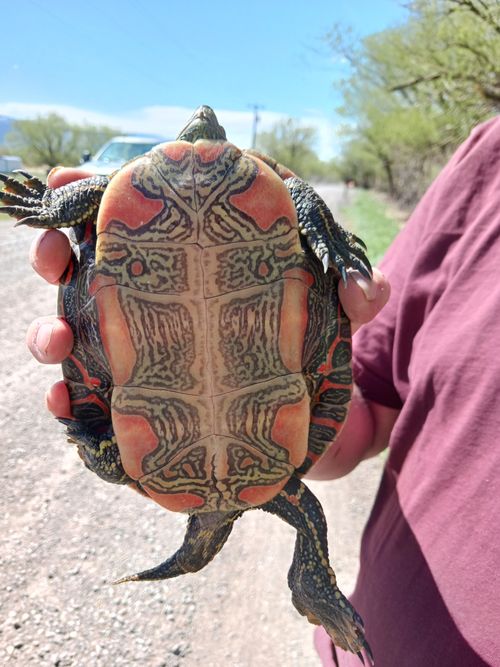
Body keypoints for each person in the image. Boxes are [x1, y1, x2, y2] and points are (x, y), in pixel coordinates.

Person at [25, 116, 500, 666]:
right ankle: (314, 581)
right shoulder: (278, 192)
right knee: (108, 444)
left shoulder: (124, 191)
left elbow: (96, 209)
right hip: (260, 442)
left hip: (227, 442)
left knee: (103, 447)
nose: (205, 123)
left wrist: (54, 207)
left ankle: (311, 580)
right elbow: (296, 205)